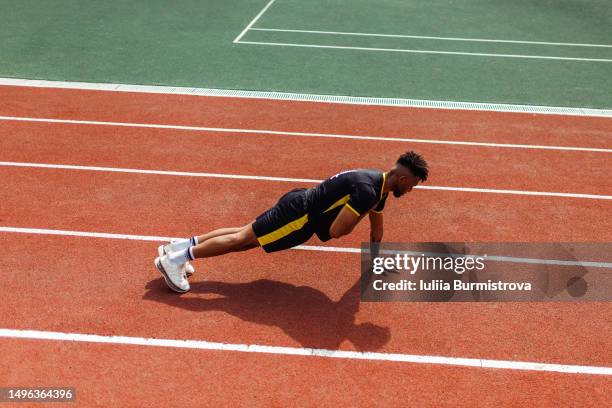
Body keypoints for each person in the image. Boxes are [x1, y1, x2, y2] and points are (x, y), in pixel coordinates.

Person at [154, 151, 429, 293]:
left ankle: (177, 248)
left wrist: (375, 262)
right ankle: (176, 259)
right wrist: (360, 211)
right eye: (414, 184)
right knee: (242, 241)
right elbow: (337, 230)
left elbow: (377, 230)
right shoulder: (367, 192)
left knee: (244, 232)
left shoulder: (375, 185)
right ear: (403, 179)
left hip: (299, 200)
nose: (411, 190)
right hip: (299, 215)